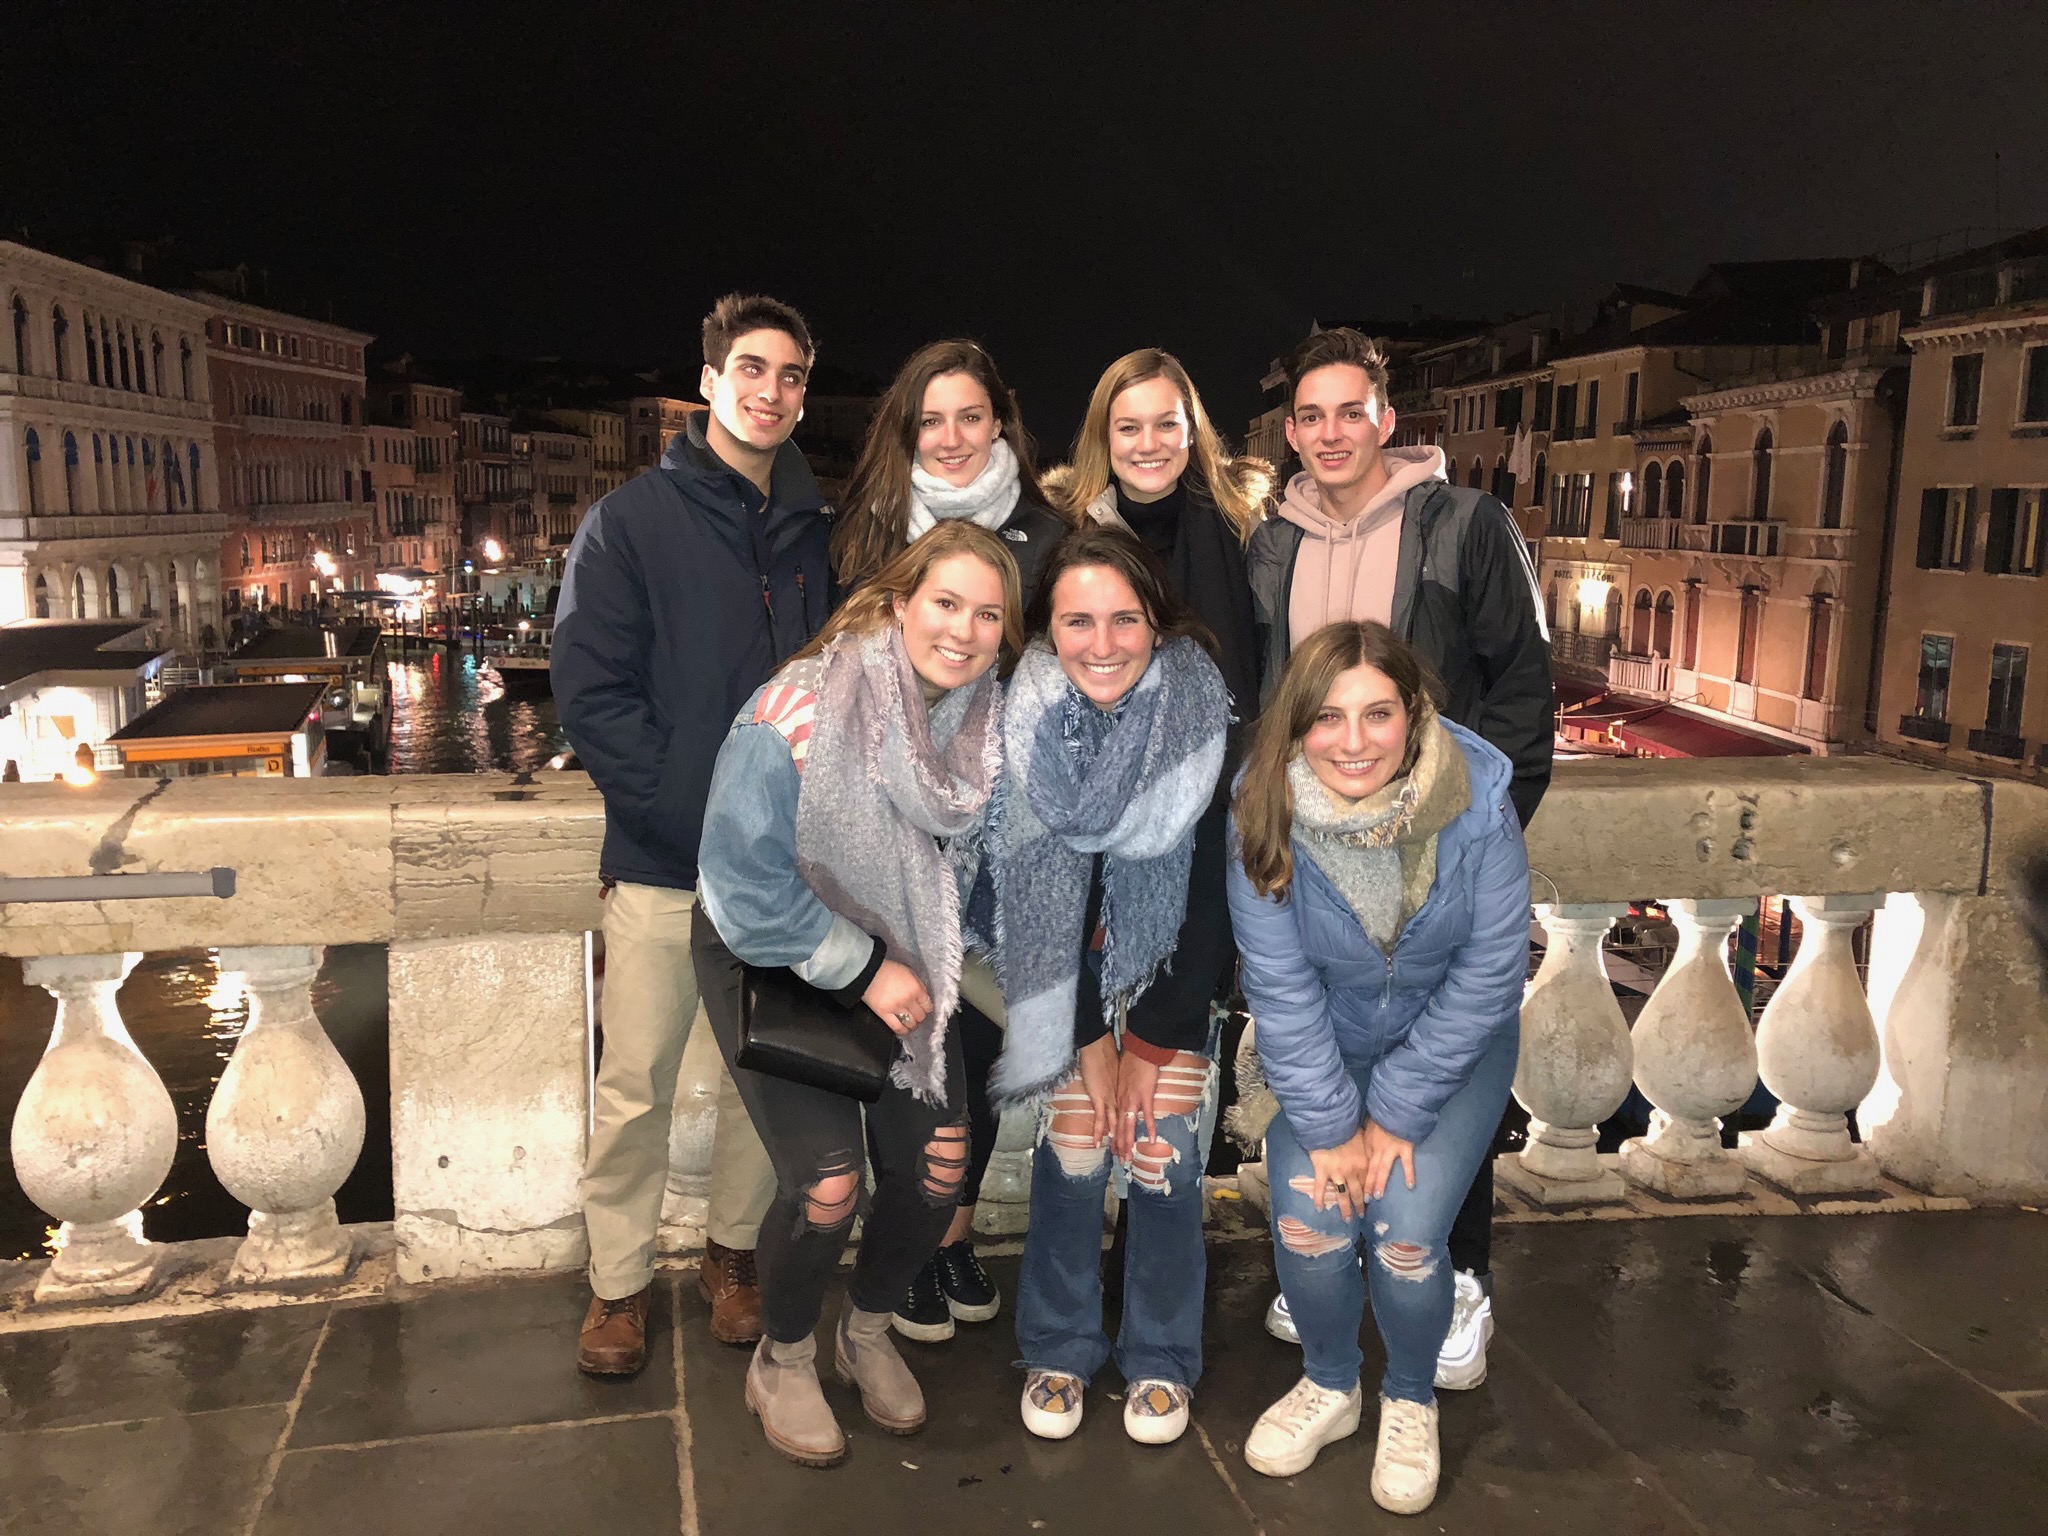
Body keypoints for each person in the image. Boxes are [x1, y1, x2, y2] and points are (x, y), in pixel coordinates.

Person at [1246, 326, 1551, 1386]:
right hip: (1316, 839)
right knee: (1329, 1036)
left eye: (1350, 411)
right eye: (1310, 415)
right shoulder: (1269, 541)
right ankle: (1326, 1275)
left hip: (1434, 832)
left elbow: (1520, 684)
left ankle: (1456, 1279)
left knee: (1447, 1058)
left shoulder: (1463, 524)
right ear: (1290, 434)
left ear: (1386, 419)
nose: (1331, 433)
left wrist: (1478, 817)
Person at [694, 521, 1022, 1468]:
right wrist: (866, 968)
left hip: (906, 960)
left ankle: (866, 1329)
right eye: (946, 603)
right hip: (775, 951)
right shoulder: (797, 708)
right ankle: (784, 1355)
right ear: (898, 604)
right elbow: (742, 886)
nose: (963, 630)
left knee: (938, 1169)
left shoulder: (983, 726)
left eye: (988, 613)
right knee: (830, 1185)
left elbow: (993, 877)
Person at [554, 293, 827, 1376]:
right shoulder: (627, 522)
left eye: (792, 376)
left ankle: (732, 1257)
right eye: (752, 369)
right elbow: (592, 696)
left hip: (784, 872)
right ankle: (616, 1285)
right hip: (667, 866)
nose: (770, 392)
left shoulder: (814, 531)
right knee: (637, 1087)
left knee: (765, 1081)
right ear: (709, 379)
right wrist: (688, 820)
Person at [1227, 621, 1527, 1514]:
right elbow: (1277, 987)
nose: (1352, 742)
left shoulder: (1478, 797)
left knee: (1403, 1238)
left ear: (1414, 711)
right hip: (1325, 1044)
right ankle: (1331, 1382)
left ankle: (1408, 1396)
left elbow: (1491, 972)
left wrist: (1392, 1113)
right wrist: (1327, 1127)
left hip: (1454, 1050)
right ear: (1295, 727)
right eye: (1325, 719)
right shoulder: (1260, 809)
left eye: (1376, 714)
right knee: (1312, 1220)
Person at [831, 338, 1070, 1341]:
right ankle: (913, 1231)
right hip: (890, 826)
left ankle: (954, 1231)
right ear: (905, 431)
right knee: (908, 1042)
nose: (951, 436)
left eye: (970, 416)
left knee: (979, 1035)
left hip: (1003, 832)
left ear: (1000, 423)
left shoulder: (1049, 536)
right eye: (930, 419)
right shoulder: (869, 534)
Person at [977, 524, 1229, 1447]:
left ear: (1157, 625)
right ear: (1046, 627)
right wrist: (1092, 1047)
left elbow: (1211, 899)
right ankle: (1059, 1338)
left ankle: (1163, 1353)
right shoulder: (1021, 719)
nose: (1103, 642)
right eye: (1078, 620)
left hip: (1169, 985)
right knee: (1079, 1144)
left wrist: (1151, 1047)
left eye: (1126, 619)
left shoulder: (1202, 713)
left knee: (1160, 1148)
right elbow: (1028, 906)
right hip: (1067, 991)